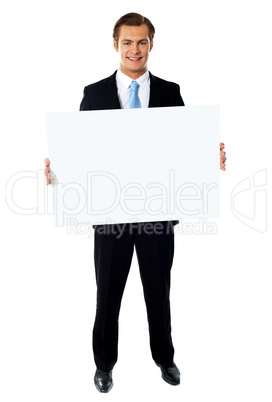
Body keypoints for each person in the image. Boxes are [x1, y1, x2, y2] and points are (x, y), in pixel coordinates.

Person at [44, 12, 226, 393]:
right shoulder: (93, 94)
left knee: (158, 291)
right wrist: (58, 174)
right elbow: (80, 153)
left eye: (142, 41)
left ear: (151, 45)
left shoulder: (169, 92)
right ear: (116, 45)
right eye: (127, 42)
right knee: (107, 294)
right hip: (109, 217)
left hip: (158, 215)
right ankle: (104, 365)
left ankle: (165, 358)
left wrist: (209, 160)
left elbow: (184, 150)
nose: (135, 49)